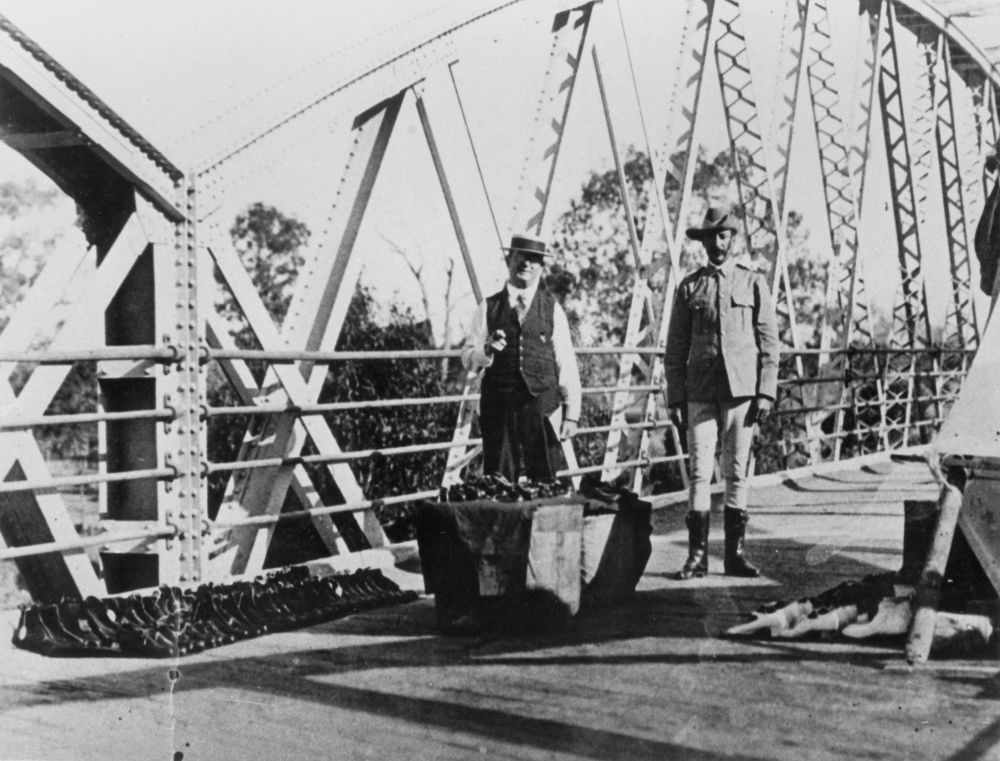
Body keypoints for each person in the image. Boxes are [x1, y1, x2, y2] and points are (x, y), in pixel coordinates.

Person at [665, 206, 779, 579]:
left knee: (736, 472)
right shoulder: (690, 286)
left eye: (724, 236)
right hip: (699, 391)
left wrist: (765, 393)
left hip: (742, 392)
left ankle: (735, 556)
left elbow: (769, 343)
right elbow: (675, 348)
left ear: (733, 239)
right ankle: (696, 558)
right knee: (699, 473)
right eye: (712, 237)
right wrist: (676, 398)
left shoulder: (752, 282)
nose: (718, 243)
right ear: (704, 242)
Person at [462, 233, 581, 483]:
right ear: (509, 259)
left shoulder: (552, 309)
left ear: (541, 266)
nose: (526, 264)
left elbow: (566, 363)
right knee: (499, 481)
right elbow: (467, 357)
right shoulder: (488, 307)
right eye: (520, 257)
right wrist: (486, 350)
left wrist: (572, 414)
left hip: (542, 406)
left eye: (534, 259)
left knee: (546, 480)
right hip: (499, 406)